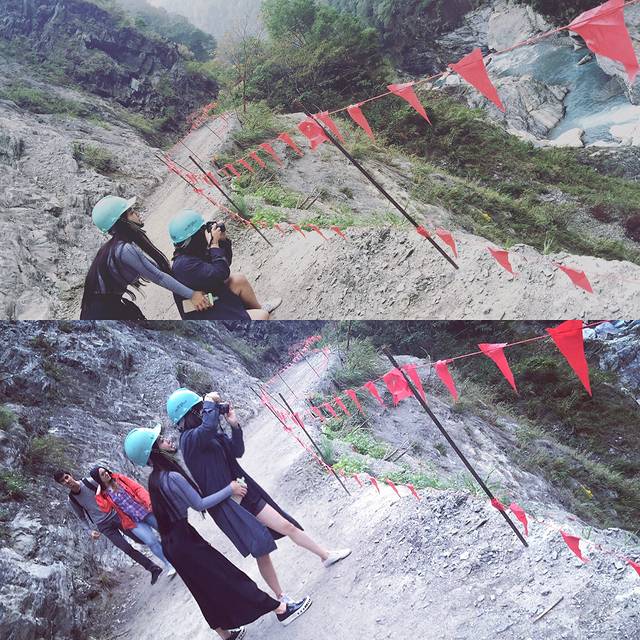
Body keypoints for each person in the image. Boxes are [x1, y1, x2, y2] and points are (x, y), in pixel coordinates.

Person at [122, 426, 311, 639]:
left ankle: (226, 635)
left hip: (173, 544)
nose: (167, 440)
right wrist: (230, 489)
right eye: (160, 440)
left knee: (203, 591)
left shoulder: (155, 479)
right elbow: (200, 504)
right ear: (155, 451)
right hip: (186, 543)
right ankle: (281, 610)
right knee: (231, 578)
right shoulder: (172, 477)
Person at [167, 388, 351, 603]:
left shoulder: (209, 434)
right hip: (229, 505)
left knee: (286, 525)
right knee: (261, 551)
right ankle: (281, 598)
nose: (204, 412)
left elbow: (237, 451)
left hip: (245, 491)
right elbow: (207, 427)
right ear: (189, 414)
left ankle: (325, 555)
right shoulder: (188, 440)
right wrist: (209, 401)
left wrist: (234, 426)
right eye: (199, 409)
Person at [81, 195, 211, 319]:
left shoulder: (120, 246)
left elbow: (157, 269)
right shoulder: (124, 249)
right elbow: (158, 277)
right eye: (131, 212)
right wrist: (192, 295)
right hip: (102, 313)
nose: (137, 214)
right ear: (121, 221)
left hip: (106, 307)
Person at [53, 469, 164, 584]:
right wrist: (89, 531)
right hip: (103, 525)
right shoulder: (72, 499)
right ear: (61, 484)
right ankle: (153, 568)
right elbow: (81, 517)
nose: (66, 481)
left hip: (116, 515)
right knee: (126, 548)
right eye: (63, 481)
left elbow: (109, 485)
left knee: (139, 538)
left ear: (71, 475)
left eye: (66, 477)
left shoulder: (90, 482)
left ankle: (163, 549)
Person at [168, 209, 281, 320]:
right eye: (203, 229)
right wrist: (214, 244)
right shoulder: (185, 265)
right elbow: (221, 273)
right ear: (194, 237)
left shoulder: (193, 251)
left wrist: (222, 240)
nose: (206, 231)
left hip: (210, 298)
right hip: (203, 313)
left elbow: (225, 264)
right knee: (262, 316)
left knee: (238, 280)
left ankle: (259, 308)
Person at [89, 465, 176, 577]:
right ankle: (169, 564)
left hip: (145, 510)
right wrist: (98, 495)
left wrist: (149, 502)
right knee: (151, 542)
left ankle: (181, 551)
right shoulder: (104, 494)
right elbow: (106, 509)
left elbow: (137, 488)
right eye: (102, 474)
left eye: (105, 471)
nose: (106, 474)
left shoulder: (119, 478)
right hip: (133, 521)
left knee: (167, 531)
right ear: (98, 479)